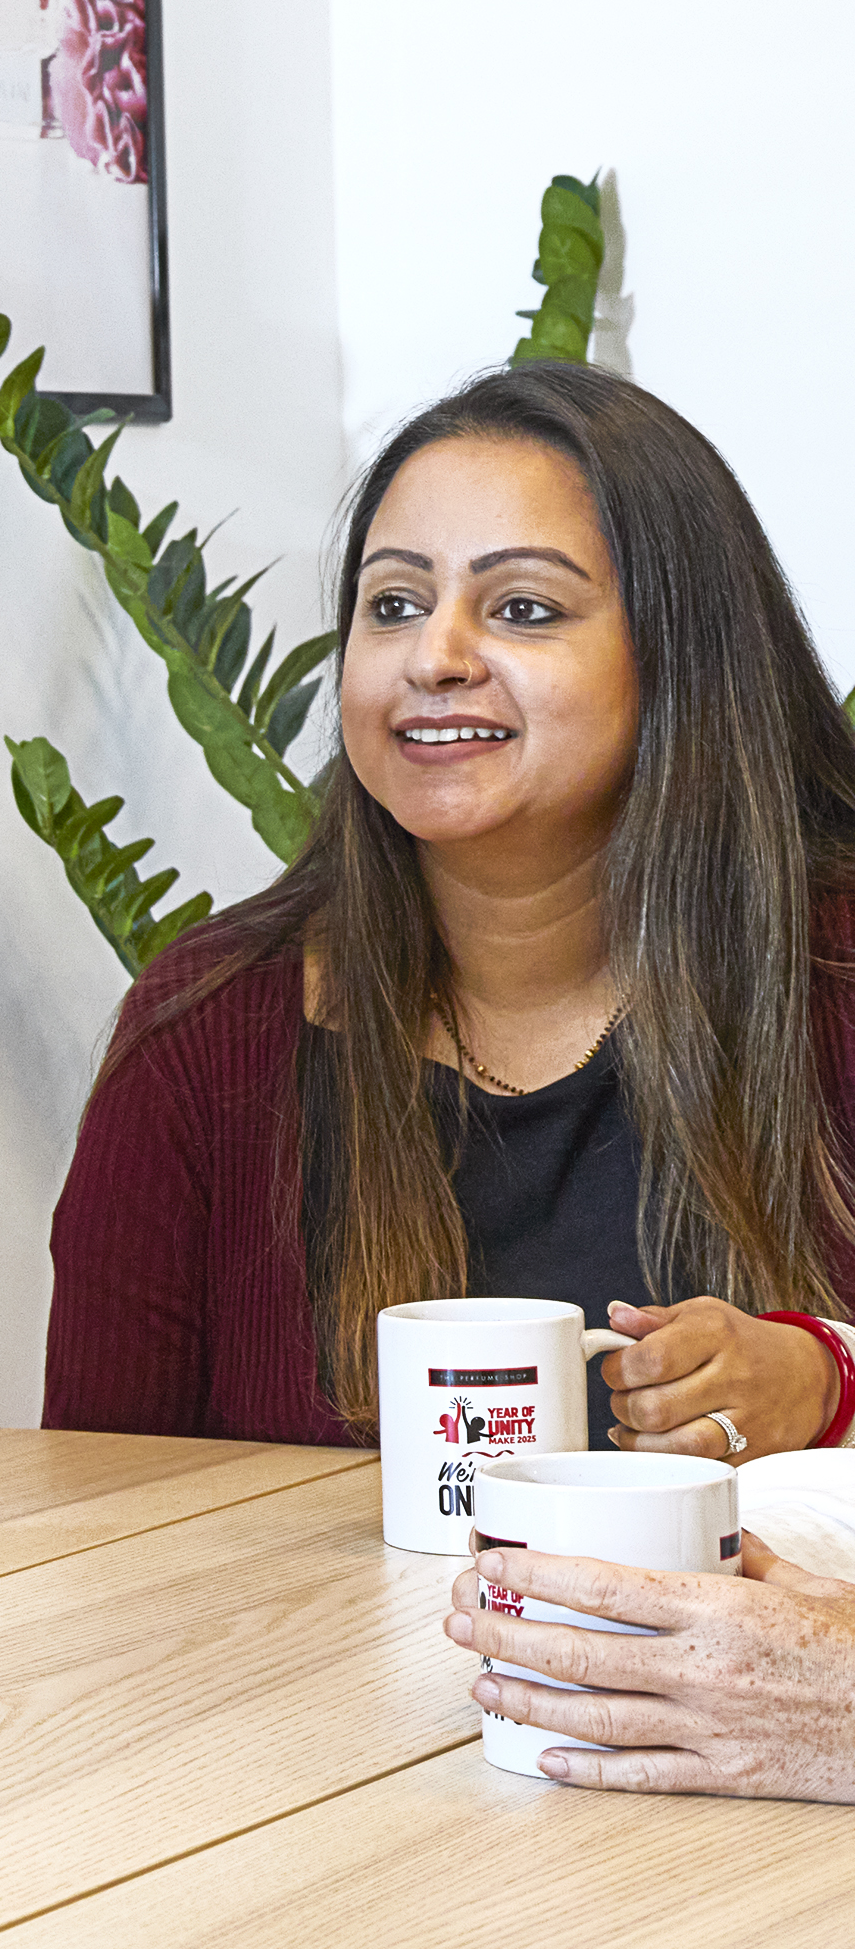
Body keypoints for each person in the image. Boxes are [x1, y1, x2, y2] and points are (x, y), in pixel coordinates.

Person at [47, 361, 855, 1463]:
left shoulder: (835, 976)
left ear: (679, 657)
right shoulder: (203, 1031)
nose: (433, 657)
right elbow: (94, 1520)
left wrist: (827, 1381)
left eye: (522, 608)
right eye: (393, 605)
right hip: (311, 1643)